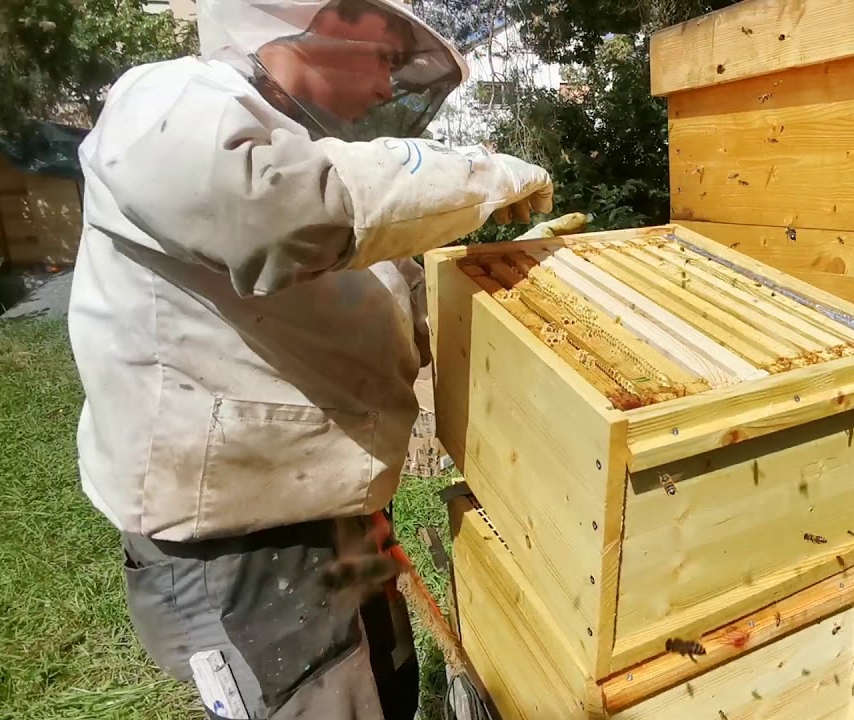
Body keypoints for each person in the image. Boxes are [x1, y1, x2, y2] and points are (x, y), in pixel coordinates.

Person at [66, 1, 578, 717]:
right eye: (385, 58)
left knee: (384, 689)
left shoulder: (312, 155)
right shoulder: (172, 98)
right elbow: (273, 213)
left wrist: (508, 282)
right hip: (240, 543)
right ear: (320, 24)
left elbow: (385, 309)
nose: (388, 87)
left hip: (335, 507)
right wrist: (479, 177)